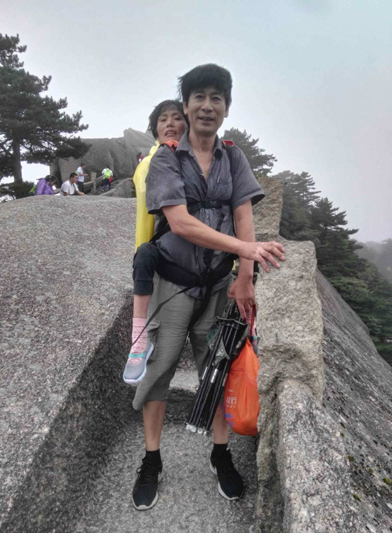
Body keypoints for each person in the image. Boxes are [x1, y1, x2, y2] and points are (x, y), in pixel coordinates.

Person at [130, 64, 285, 511]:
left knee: (215, 369)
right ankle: (152, 459)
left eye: (216, 97)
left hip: (218, 286)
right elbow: (179, 222)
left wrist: (243, 276)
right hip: (173, 284)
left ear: (226, 108)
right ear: (185, 105)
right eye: (198, 96)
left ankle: (220, 454)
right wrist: (246, 250)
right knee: (160, 369)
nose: (207, 105)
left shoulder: (233, 158)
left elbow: (243, 214)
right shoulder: (166, 158)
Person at [123, 99, 188, 385]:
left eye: (176, 117)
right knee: (147, 253)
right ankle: (139, 339)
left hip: (206, 251)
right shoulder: (149, 163)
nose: (170, 124)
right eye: (163, 119)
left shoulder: (204, 157)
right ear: (155, 130)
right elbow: (144, 217)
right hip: (170, 246)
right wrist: (142, 259)